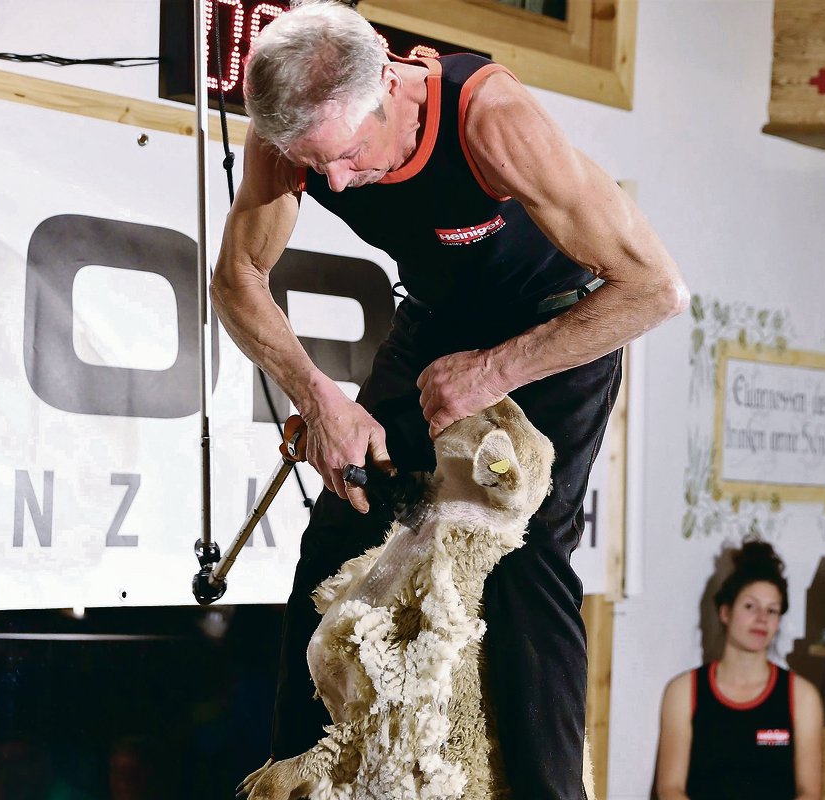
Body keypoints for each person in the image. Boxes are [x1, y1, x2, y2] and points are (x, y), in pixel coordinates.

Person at [208, 1, 688, 796]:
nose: (334, 182)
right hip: (435, 323)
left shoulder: (489, 120)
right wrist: (320, 401)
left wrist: (496, 370)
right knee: (340, 527)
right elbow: (237, 281)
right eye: (314, 163)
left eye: (347, 155)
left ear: (388, 86)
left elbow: (654, 290)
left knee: (525, 556)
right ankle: (294, 779)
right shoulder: (288, 132)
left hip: (557, 329)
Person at [652, 540, 823, 800]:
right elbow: (670, 789)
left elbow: (810, 793)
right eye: (750, 606)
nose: (762, 618)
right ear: (725, 613)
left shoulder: (802, 696)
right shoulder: (684, 691)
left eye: (772, 610)